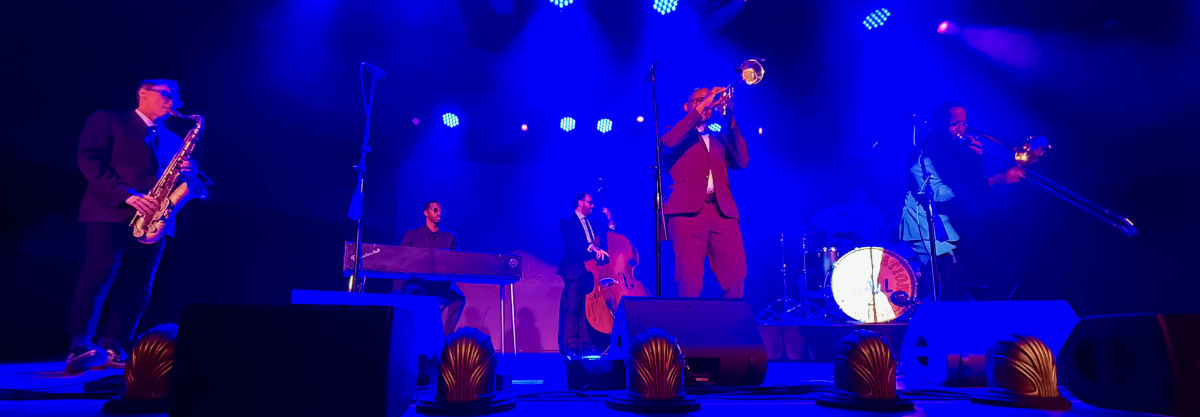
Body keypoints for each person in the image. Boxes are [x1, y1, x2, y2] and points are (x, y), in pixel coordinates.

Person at [66, 79, 196, 372]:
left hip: (155, 218)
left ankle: (114, 344)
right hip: (109, 210)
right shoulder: (108, 120)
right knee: (99, 274)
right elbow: (90, 162)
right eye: (166, 95)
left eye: (175, 97)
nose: (173, 102)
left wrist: (191, 174)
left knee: (140, 284)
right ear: (143, 95)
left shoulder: (175, 140)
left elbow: (173, 181)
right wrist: (128, 195)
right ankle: (80, 344)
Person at [899, 102, 1025, 301]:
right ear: (935, 125)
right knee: (946, 294)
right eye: (954, 123)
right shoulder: (923, 155)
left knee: (961, 291)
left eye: (964, 123)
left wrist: (976, 160)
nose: (961, 129)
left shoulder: (958, 151)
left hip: (961, 228)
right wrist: (999, 179)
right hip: (938, 234)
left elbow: (973, 190)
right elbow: (947, 195)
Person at [661, 87, 749, 298]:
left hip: (723, 214)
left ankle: (728, 327)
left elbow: (741, 161)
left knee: (735, 276)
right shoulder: (675, 133)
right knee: (689, 281)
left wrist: (730, 119)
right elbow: (668, 144)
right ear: (687, 106)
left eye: (710, 101)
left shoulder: (719, 137)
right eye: (700, 100)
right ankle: (687, 329)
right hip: (687, 215)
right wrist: (705, 103)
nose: (709, 105)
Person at [556, 192, 615, 357]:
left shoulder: (593, 223)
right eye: (590, 202)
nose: (592, 205)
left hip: (592, 273)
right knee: (572, 309)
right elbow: (572, 242)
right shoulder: (567, 222)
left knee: (587, 311)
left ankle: (586, 346)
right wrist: (592, 248)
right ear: (580, 202)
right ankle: (572, 347)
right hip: (574, 270)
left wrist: (610, 222)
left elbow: (607, 239)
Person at [395, 200, 466, 336]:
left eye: (441, 210)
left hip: (441, 284)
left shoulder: (451, 236)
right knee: (418, 297)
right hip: (417, 283)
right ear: (426, 213)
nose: (439, 212)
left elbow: (456, 261)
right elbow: (401, 260)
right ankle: (415, 336)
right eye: (435, 210)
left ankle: (446, 338)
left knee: (458, 298)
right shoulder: (412, 233)